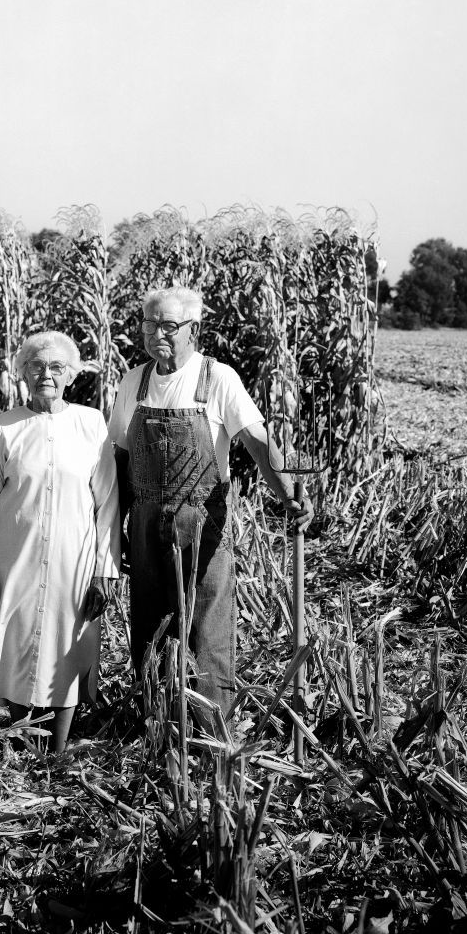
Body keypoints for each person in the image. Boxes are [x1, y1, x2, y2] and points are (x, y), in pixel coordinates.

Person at [108, 286, 307, 729]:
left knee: (205, 627)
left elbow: (256, 441)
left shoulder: (217, 379)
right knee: (149, 623)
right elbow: (119, 458)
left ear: (193, 330)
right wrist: (111, 528)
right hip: (143, 520)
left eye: (169, 326)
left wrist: (288, 488)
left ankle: (210, 730)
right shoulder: (133, 382)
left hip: (200, 522)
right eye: (149, 323)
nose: (157, 333)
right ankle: (155, 725)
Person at [0, 331, 121, 754]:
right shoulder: (6, 428)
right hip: (16, 558)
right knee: (17, 640)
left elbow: (108, 503)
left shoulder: (91, 423)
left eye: (56, 368)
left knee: (67, 645)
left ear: (71, 376)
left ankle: (56, 750)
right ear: (22, 374)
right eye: (35, 367)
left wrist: (104, 570)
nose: (45, 375)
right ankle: (24, 743)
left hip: (75, 560)